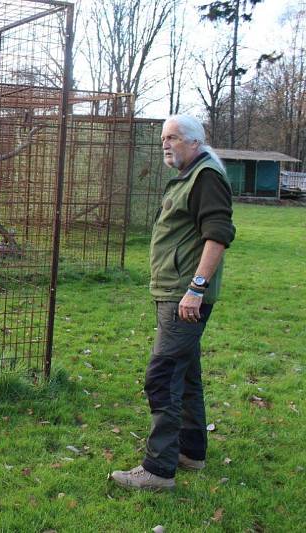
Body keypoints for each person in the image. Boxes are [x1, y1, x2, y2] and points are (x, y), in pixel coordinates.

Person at [110, 115, 236, 491]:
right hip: (176, 291)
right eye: (164, 138)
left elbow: (218, 234)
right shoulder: (193, 173)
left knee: (162, 375)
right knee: (186, 373)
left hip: (185, 296)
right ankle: (190, 451)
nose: (166, 144)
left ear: (195, 142)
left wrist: (196, 288)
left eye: (174, 138)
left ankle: (158, 469)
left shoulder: (206, 176)